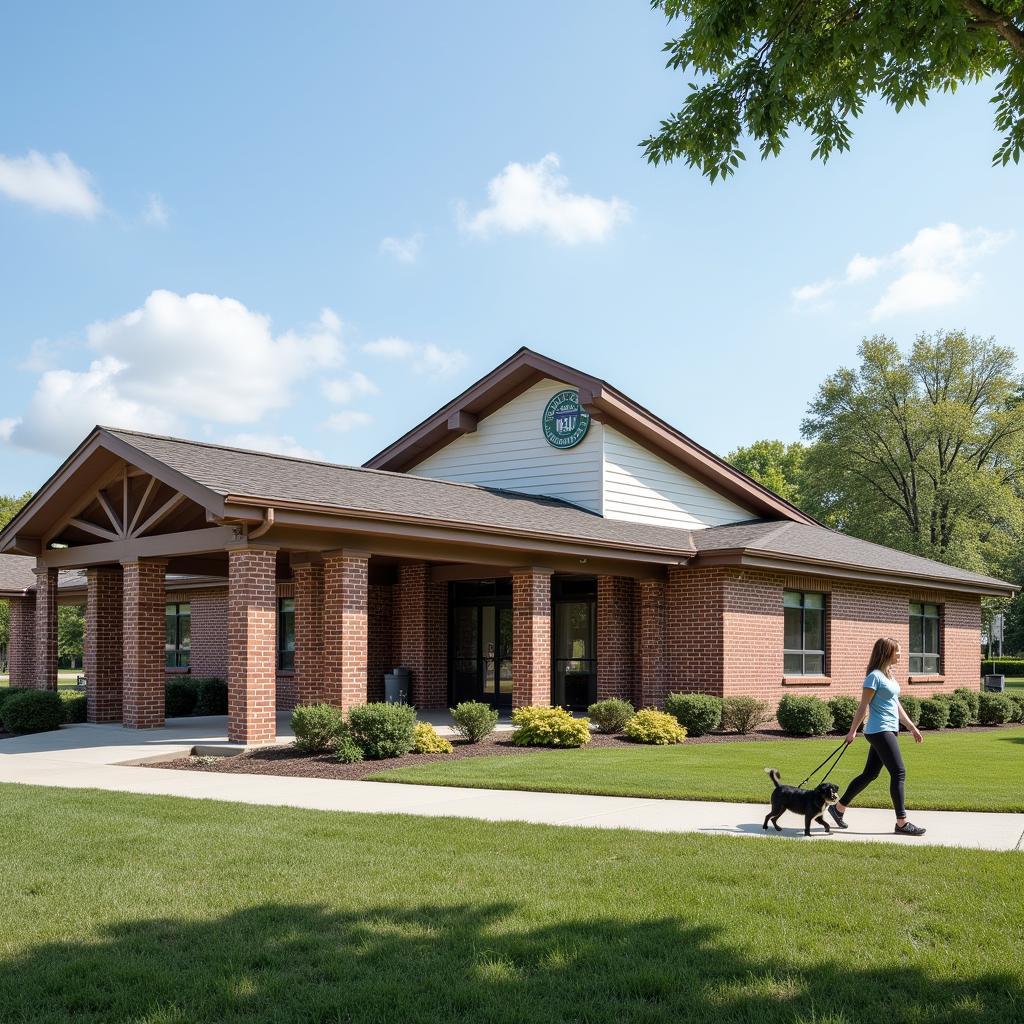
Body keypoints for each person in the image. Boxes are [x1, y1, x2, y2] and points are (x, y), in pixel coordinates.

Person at [828, 637, 927, 836]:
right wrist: (852, 731)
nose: (900, 654)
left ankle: (838, 809)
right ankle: (901, 823)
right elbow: (863, 706)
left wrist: (911, 727)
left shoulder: (888, 676)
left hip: (889, 729)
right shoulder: (874, 677)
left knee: (870, 774)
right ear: (887, 652)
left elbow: (896, 705)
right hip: (879, 730)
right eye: (897, 651)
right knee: (899, 772)